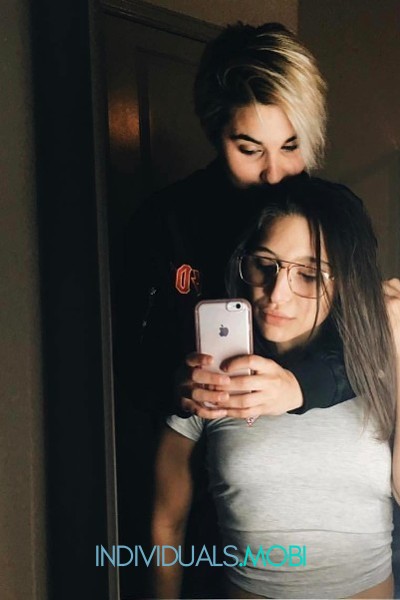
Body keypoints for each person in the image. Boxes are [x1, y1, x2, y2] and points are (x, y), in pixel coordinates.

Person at [152, 178, 400, 599]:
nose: (276, 294)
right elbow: (166, 522)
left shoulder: (379, 375)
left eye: (308, 274)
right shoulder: (212, 378)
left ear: (344, 284)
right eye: (265, 264)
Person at [115, 22, 360, 422]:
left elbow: (371, 344)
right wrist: (174, 385)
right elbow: (127, 357)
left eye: (291, 146)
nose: (274, 174)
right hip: (199, 436)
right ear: (216, 135)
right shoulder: (164, 221)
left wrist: (299, 385)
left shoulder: (337, 216)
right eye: (250, 149)